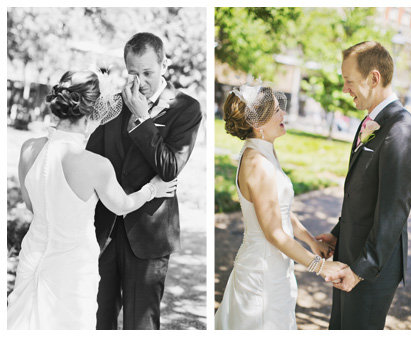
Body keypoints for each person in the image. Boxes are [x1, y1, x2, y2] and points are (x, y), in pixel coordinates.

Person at [7, 70, 176, 329]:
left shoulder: (28, 147)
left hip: (32, 255)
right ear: (96, 110)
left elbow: (31, 205)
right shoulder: (95, 165)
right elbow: (122, 206)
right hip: (74, 267)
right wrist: (152, 190)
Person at [88, 32, 202, 330]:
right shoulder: (112, 103)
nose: (140, 83)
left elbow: (169, 167)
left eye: (148, 73)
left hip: (148, 234)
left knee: (141, 326)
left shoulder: (186, 108)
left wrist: (142, 119)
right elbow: (92, 157)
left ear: (165, 64)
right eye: (133, 73)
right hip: (105, 230)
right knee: (98, 321)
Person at [214, 85, 347, 329]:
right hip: (261, 272)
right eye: (276, 110)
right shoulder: (258, 164)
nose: (283, 115)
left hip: (275, 266)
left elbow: (279, 210)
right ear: (258, 123)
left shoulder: (264, 152)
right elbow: (274, 233)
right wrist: (320, 267)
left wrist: (311, 240)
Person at [315, 41, 411, 330]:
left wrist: (361, 270)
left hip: (370, 269)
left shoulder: (402, 130)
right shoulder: (371, 123)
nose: (345, 89)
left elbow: (393, 211)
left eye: (349, 81)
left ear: (374, 78)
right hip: (350, 254)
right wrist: (339, 234)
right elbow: (364, 195)